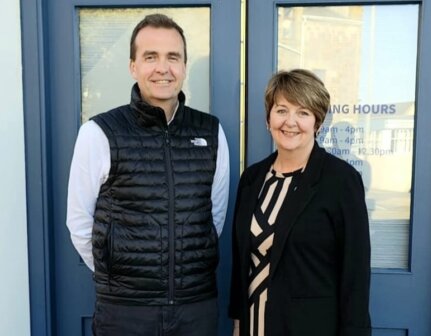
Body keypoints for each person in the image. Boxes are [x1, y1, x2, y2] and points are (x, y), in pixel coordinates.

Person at [66, 13, 230, 336]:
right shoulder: (99, 132)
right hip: (125, 312)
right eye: (150, 57)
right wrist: (119, 277)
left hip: (195, 309)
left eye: (173, 57)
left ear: (183, 66)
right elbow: (79, 222)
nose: (162, 68)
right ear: (133, 66)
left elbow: (215, 216)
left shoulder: (211, 132)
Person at [229, 69, 371, 336]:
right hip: (253, 325)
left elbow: (355, 272)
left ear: (317, 122)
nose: (290, 122)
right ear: (268, 118)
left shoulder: (340, 180)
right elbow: (241, 261)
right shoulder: (252, 178)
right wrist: (238, 321)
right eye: (281, 110)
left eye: (303, 112)